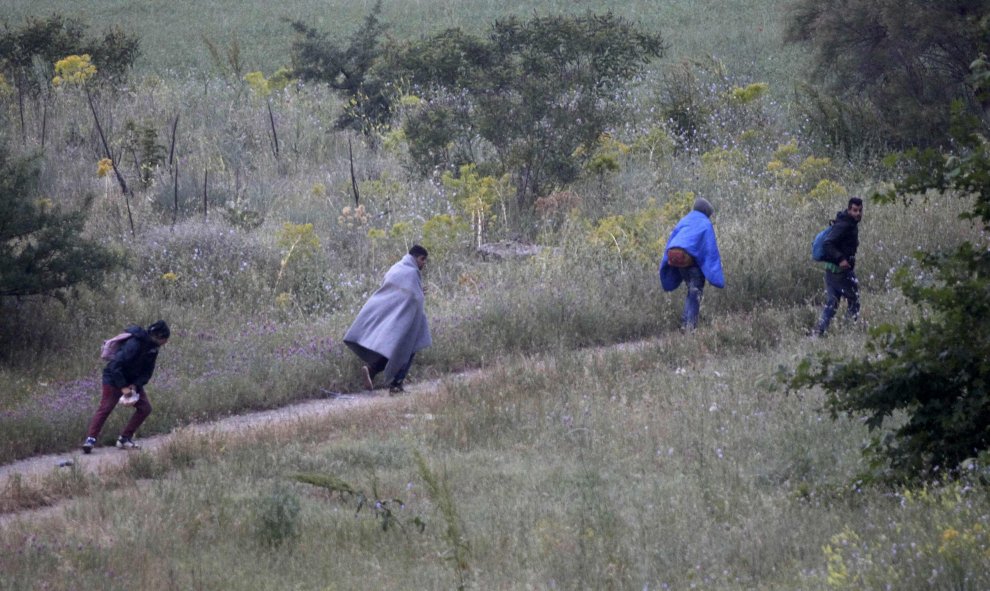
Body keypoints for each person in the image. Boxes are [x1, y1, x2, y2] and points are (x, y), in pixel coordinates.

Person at [344, 245, 432, 394]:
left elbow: (395, 289)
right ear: (418, 258)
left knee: (392, 348)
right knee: (407, 348)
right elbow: (414, 296)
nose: (424, 264)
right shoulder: (412, 272)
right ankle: (396, 385)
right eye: (423, 260)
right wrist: (420, 294)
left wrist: (417, 292)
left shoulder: (396, 267)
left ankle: (371, 370)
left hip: (392, 313)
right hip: (405, 317)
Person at [82, 320, 170, 453]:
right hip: (113, 378)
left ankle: (124, 439)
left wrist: (135, 386)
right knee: (105, 408)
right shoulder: (134, 343)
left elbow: (147, 372)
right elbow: (115, 366)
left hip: (131, 381)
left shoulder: (153, 348)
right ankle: (90, 440)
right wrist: (123, 388)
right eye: (165, 339)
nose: (166, 342)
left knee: (145, 408)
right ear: (158, 336)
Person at [659, 197, 725, 331]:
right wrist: (716, 274)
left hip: (677, 259)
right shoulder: (705, 223)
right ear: (706, 212)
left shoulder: (684, 220)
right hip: (690, 260)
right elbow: (710, 249)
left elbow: (672, 241)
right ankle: (689, 326)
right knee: (696, 292)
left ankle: (685, 323)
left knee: (691, 290)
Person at [815, 197, 863, 336]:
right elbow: (828, 243)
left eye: (860, 210)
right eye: (854, 210)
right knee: (854, 301)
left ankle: (819, 332)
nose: (858, 213)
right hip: (840, 271)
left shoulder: (848, 222)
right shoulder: (844, 225)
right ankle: (848, 332)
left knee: (832, 302)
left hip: (831, 270)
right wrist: (841, 259)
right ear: (849, 210)